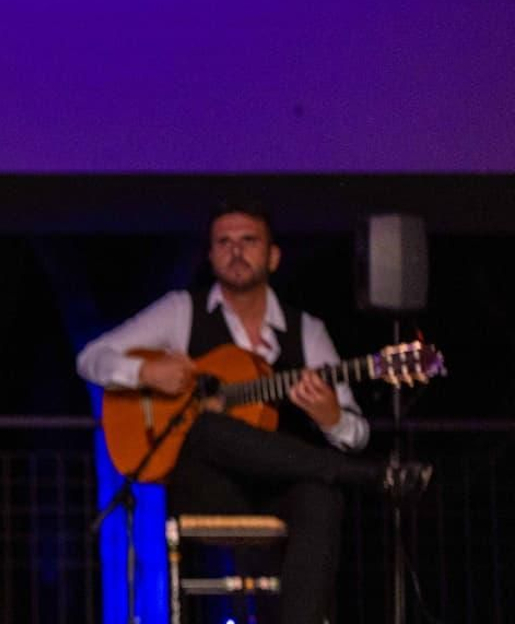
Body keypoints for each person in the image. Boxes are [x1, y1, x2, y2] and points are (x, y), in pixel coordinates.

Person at [75, 200, 430, 623]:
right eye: (223, 242)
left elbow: (355, 432)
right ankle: (374, 476)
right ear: (210, 255)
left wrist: (330, 417)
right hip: (206, 485)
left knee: (321, 497)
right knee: (209, 427)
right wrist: (145, 371)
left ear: (273, 255)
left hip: (278, 487)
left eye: (248, 241)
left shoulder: (307, 332)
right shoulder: (181, 311)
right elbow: (90, 358)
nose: (236, 251)